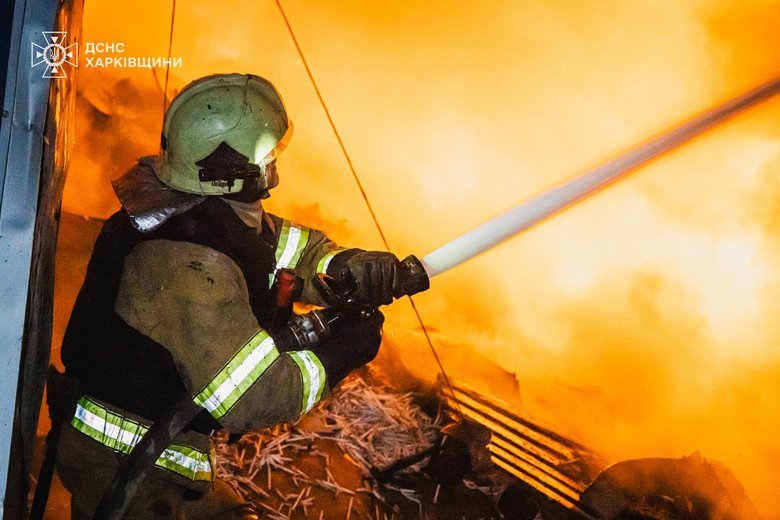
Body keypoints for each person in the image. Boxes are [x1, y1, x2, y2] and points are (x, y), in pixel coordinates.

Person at [55, 73, 404, 519]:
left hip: (161, 454)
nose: (275, 170)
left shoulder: (196, 204)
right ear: (228, 171)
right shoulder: (190, 267)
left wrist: (346, 268)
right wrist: (341, 353)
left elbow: (287, 249)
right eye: (266, 158)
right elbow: (253, 397)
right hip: (128, 469)